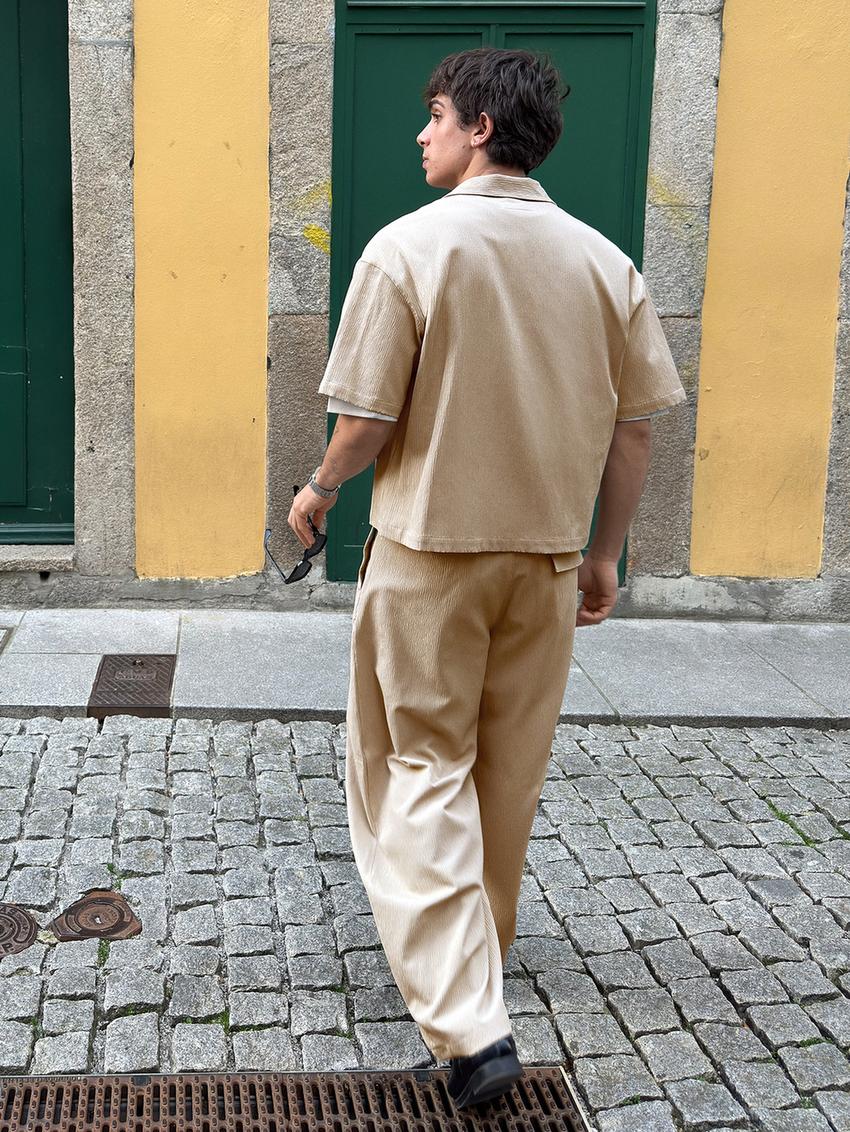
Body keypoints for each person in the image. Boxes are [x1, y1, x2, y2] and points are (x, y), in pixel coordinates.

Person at [288, 47, 685, 1108]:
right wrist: (603, 553)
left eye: (434, 115)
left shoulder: (409, 248)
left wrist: (319, 488)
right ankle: (476, 958)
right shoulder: (606, 263)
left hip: (431, 555)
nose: (421, 134)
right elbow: (635, 429)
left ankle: (469, 1027)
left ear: (479, 127)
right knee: (506, 773)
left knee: (417, 764)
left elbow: (368, 419)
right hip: (546, 559)